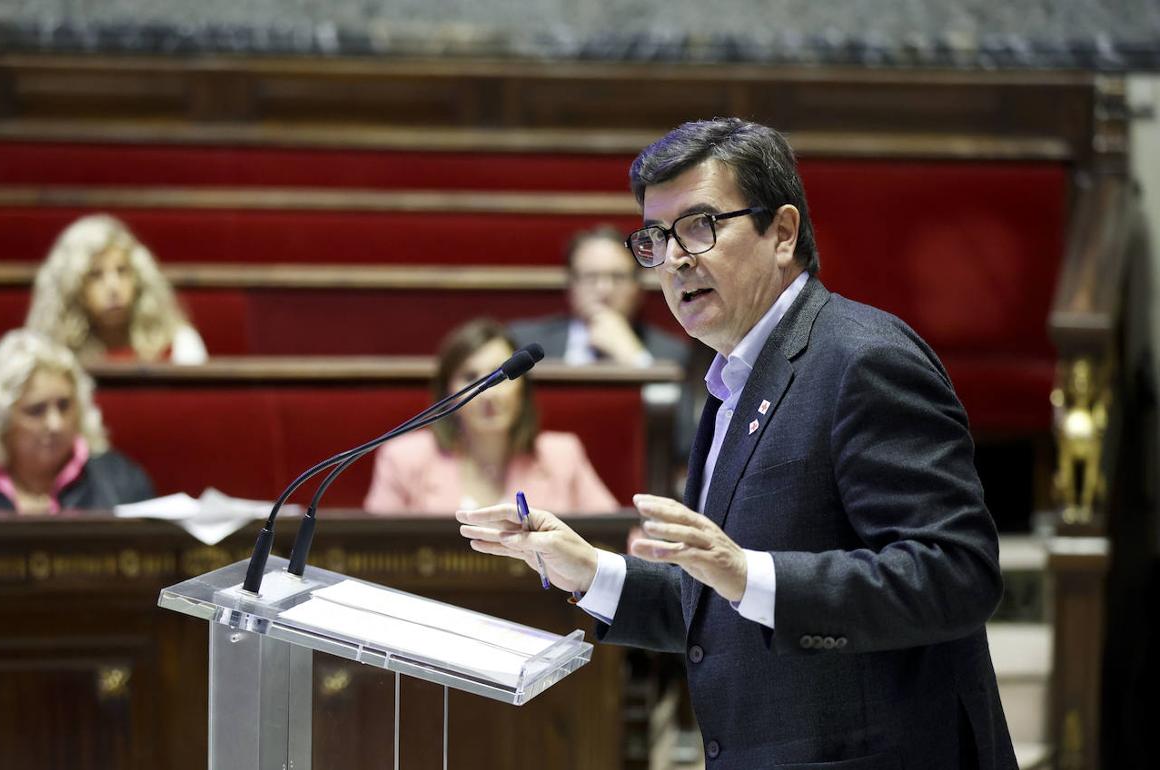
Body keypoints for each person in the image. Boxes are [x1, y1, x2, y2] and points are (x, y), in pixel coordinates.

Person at [458, 118, 1017, 768]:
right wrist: (588, 568)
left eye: (700, 226)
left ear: (782, 232)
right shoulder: (731, 382)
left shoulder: (862, 359)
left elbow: (956, 575)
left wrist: (745, 571)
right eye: (657, 238)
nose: (674, 258)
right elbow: (721, 605)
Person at [364, 318, 618, 515]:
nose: (488, 394)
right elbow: (372, 551)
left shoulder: (563, 455)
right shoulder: (403, 459)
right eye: (470, 376)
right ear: (448, 392)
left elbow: (615, 539)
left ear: (522, 389)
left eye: (501, 376)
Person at [0, 329, 155, 513]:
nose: (55, 424)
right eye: (36, 411)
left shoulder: (121, 481)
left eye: (64, 406)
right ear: (1, 422)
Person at [26, 214, 207, 364]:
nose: (114, 287)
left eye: (122, 271)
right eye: (96, 275)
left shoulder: (180, 343)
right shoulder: (49, 356)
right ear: (73, 289)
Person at [510, 225, 689, 368]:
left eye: (618, 277)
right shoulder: (523, 343)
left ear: (638, 287)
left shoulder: (673, 354)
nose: (604, 289)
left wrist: (635, 358)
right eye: (591, 276)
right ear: (571, 285)